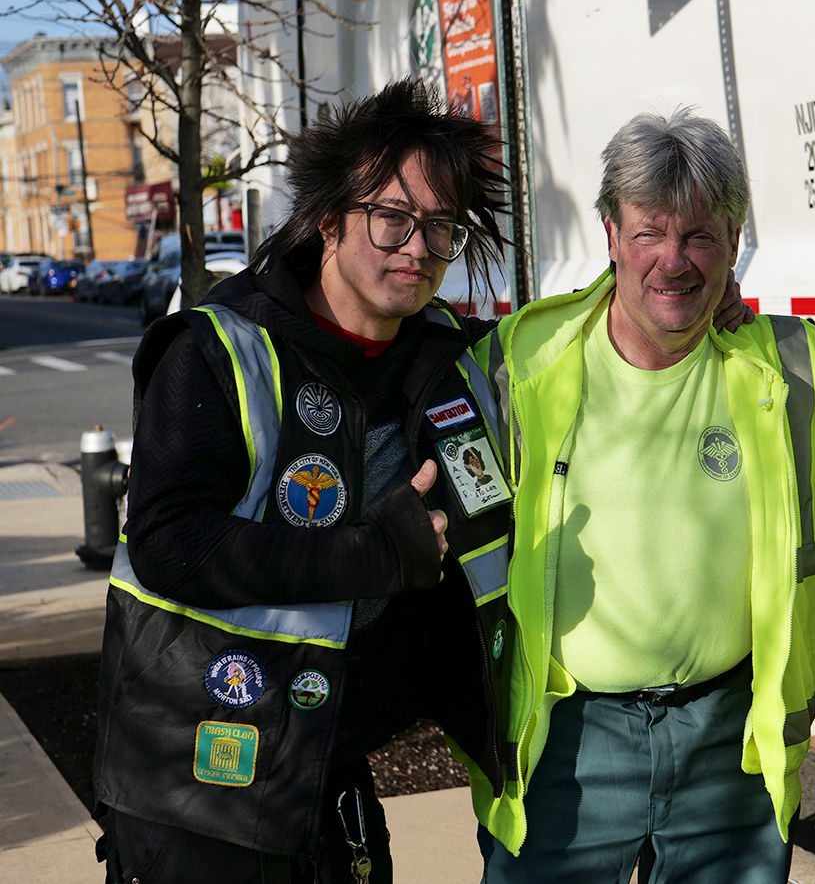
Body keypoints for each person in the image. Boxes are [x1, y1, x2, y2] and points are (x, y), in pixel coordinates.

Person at [465, 107, 815, 882]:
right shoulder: (518, 363)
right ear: (610, 235)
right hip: (564, 739)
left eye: (701, 235)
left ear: (735, 244)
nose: (674, 261)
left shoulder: (795, 367)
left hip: (730, 741)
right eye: (650, 233)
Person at [93, 78, 518, 883]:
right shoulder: (217, 353)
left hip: (325, 772)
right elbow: (168, 543)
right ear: (328, 219)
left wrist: (703, 308)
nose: (418, 247)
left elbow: (596, 336)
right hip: (196, 789)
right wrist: (372, 555)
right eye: (391, 217)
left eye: (441, 227)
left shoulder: (449, 357)